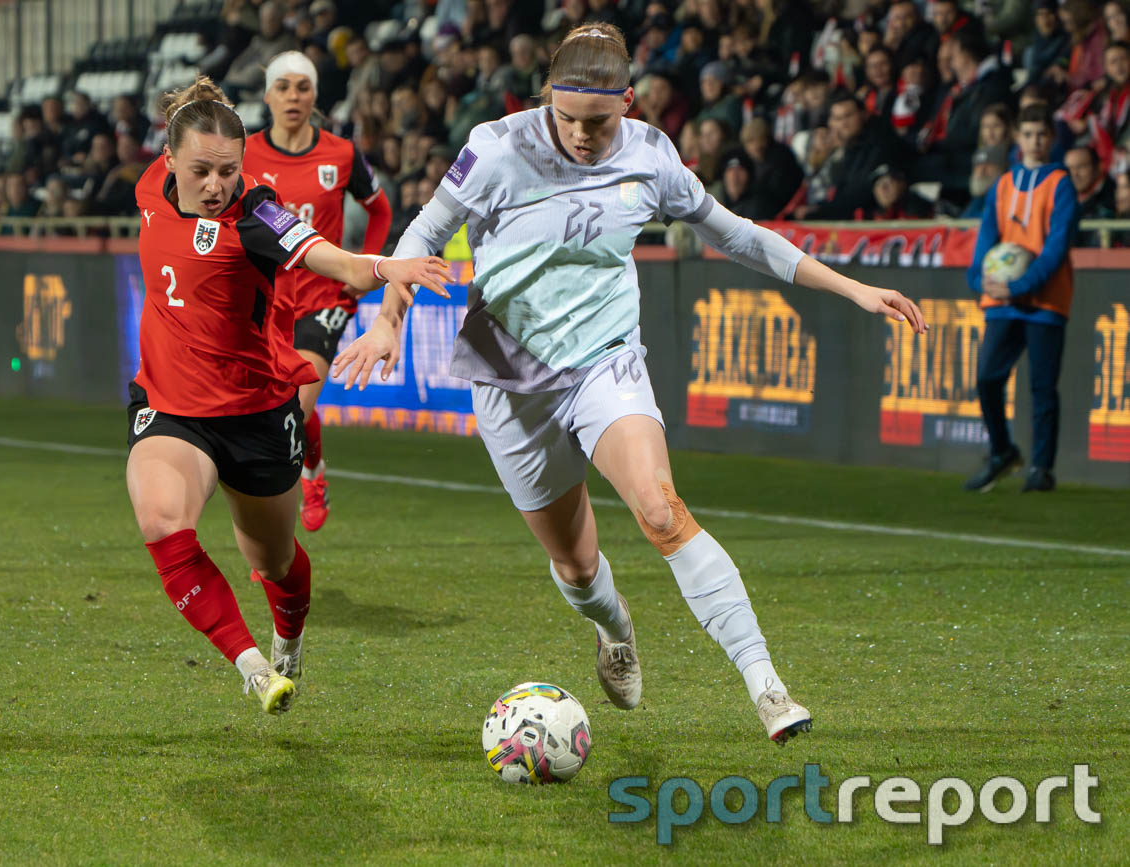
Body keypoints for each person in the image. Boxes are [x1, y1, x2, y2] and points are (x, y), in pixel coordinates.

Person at [333, 24, 928, 744]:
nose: (582, 136)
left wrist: (853, 288)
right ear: (547, 100)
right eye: (568, 119)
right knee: (576, 564)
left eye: (599, 121)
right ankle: (614, 626)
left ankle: (767, 685)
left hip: (604, 360)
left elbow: (737, 234)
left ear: (628, 102)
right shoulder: (496, 148)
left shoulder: (652, 154)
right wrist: (387, 320)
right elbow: (423, 236)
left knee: (660, 508)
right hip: (510, 378)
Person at [129, 76, 446, 716]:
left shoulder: (259, 215)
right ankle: (251, 666)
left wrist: (386, 267)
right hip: (170, 404)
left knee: (272, 561)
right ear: (168, 162)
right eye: (201, 171)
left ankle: (289, 636)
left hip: (256, 411)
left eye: (228, 171)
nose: (215, 185)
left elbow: (338, 261)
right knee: (162, 520)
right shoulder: (149, 189)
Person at [243, 51, 393, 533]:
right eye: (283, 87)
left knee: (290, 409)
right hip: (265, 304)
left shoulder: (341, 153)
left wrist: (362, 269)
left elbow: (380, 210)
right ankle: (314, 470)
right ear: (268, 96)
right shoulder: (244, 154)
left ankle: (272, 544)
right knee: (274, 406)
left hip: (323, 302)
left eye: (302, 87)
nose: (293, 96)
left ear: (314, 96)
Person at [964, 105, 1080, 493]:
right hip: (1002, 301)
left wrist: (1020, 285)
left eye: (1042, 134)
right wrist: (978, 277)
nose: (1035, 141)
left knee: (1042, 388)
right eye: (1028, 134)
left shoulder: (1061, 183)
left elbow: (1057, 247)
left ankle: (1041, 469)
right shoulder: (1003, 184)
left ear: (1052, 138)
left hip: (1045, 300)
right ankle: (1002, 451)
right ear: (1017, 137)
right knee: (987, 378)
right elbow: (986, 237)